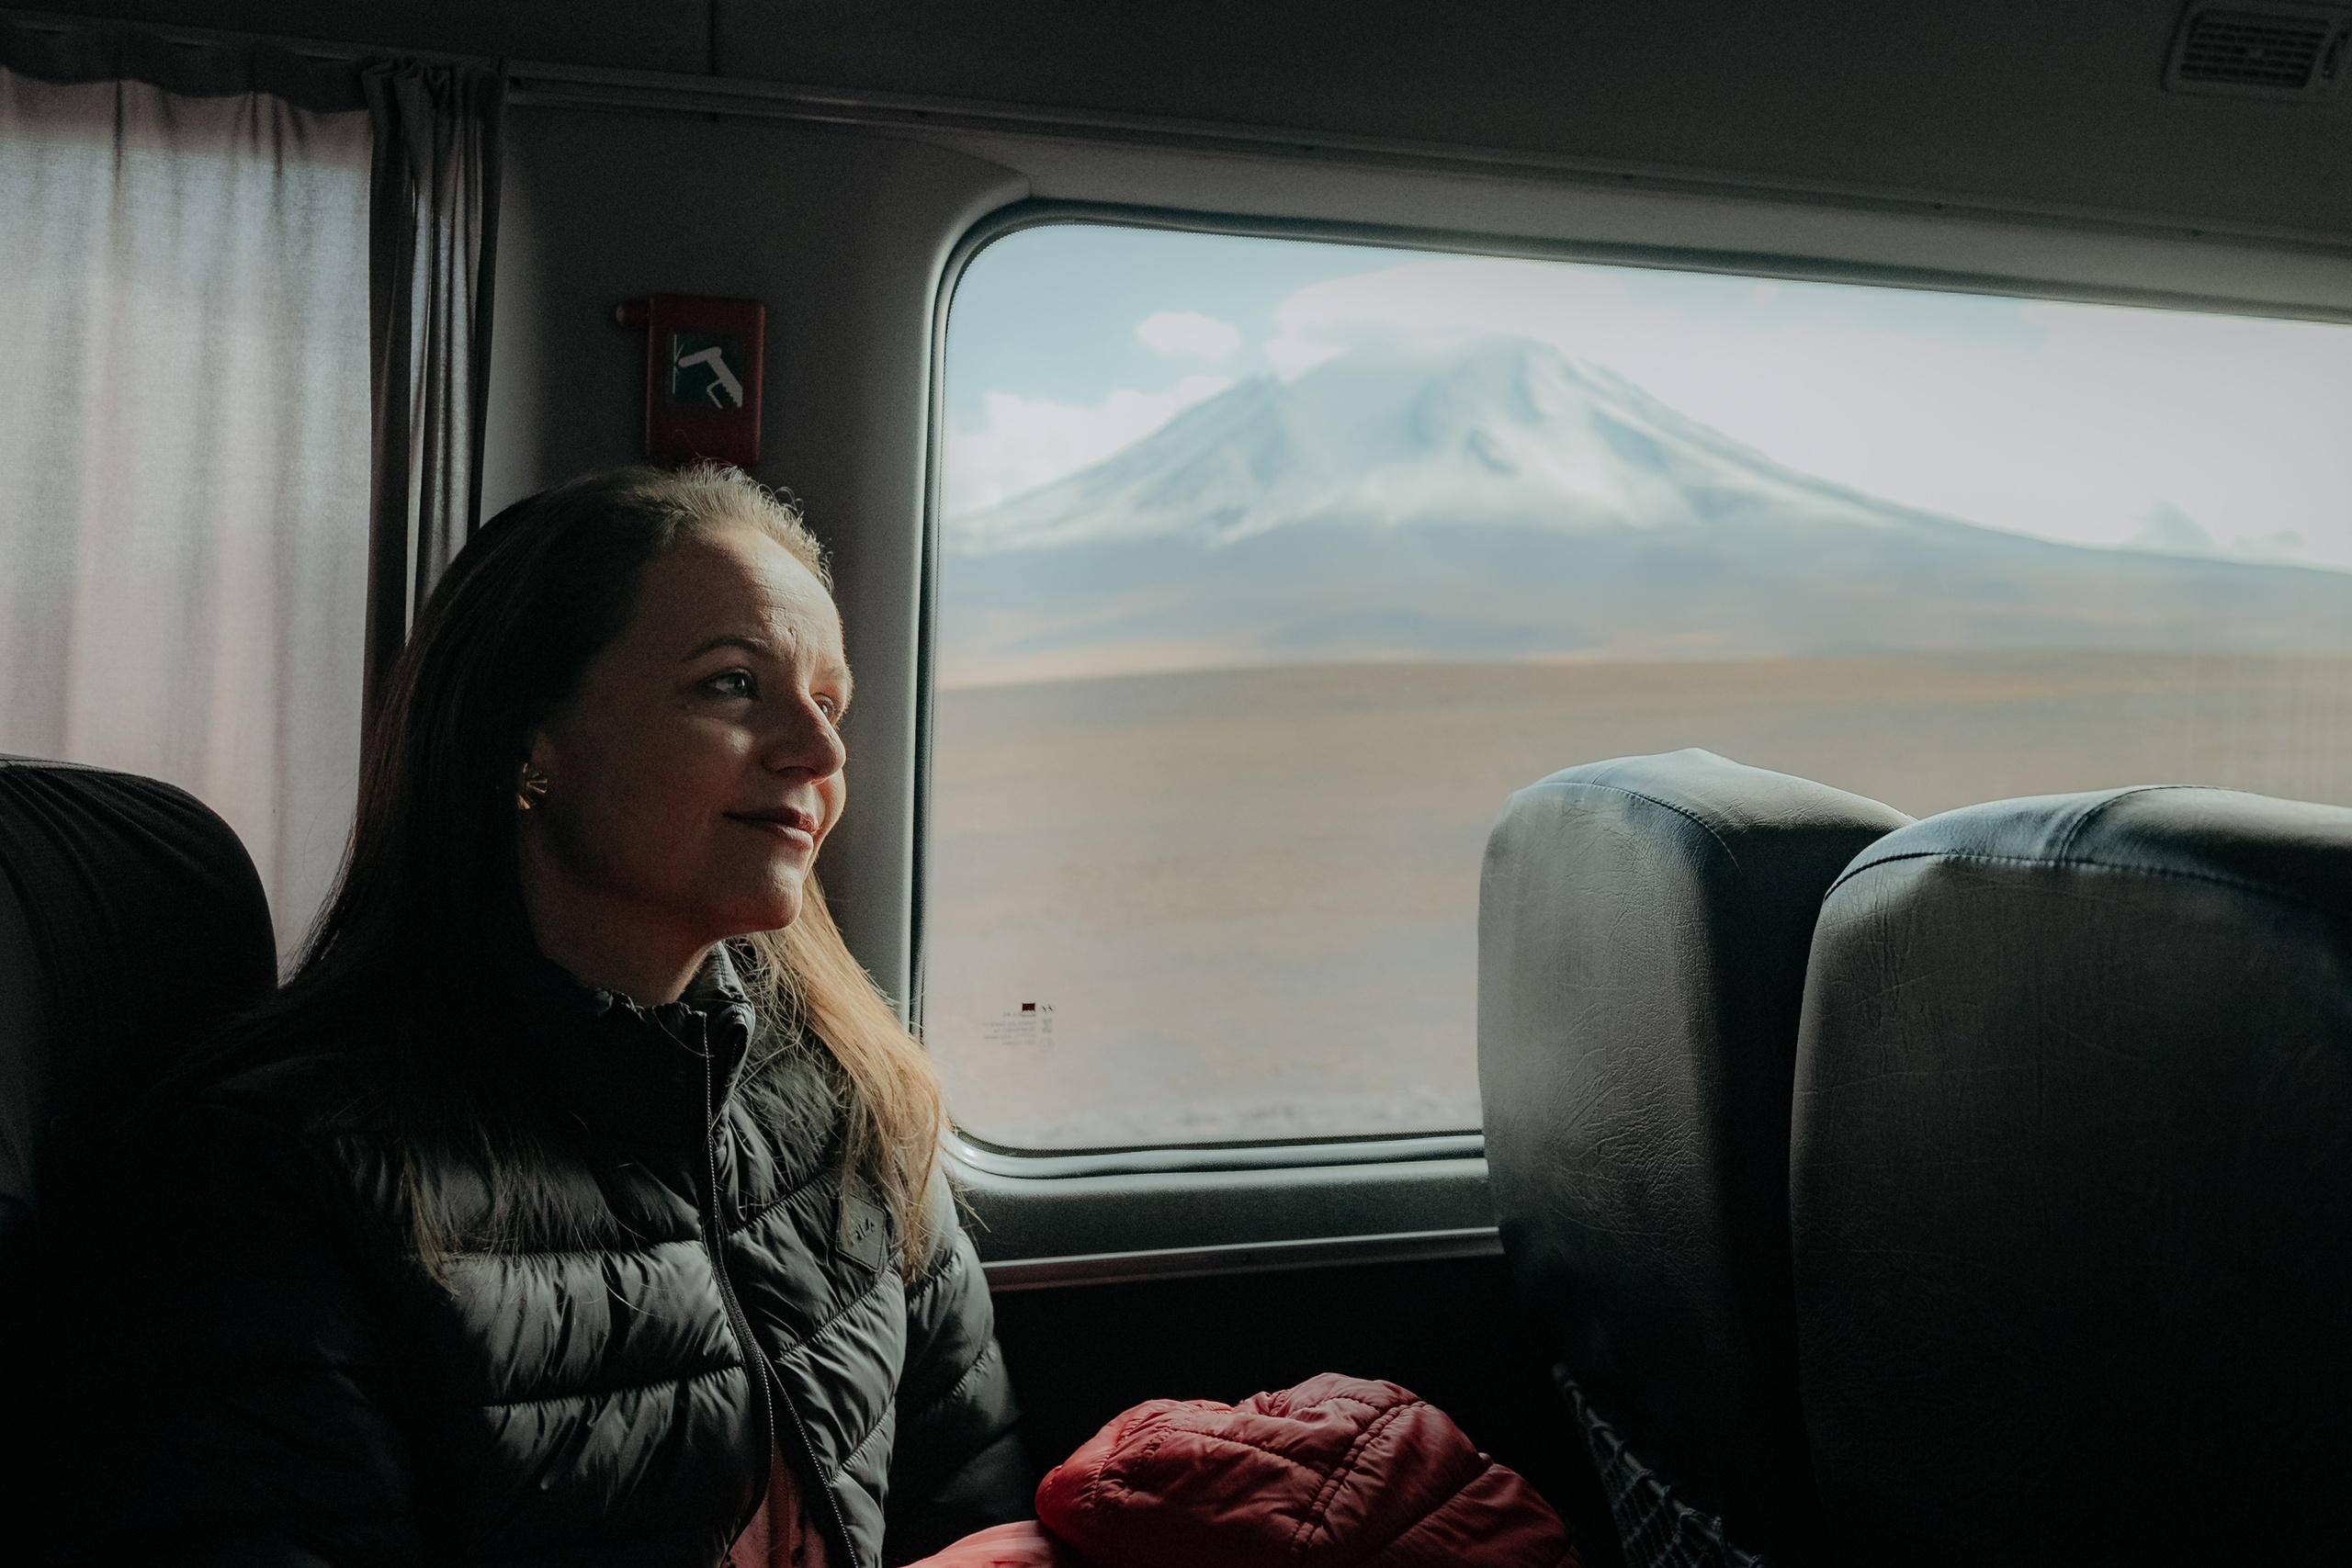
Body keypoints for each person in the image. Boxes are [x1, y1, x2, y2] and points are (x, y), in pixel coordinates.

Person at [53, 467, 1027, 1566]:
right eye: (732, 686)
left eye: (829, 701)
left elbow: (974, 1513)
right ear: (530, 743)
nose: (820, 750)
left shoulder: (854, 1105)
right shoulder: (274, 1182)